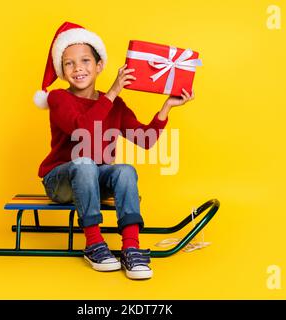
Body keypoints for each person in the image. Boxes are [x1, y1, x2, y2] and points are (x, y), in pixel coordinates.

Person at [33, 22, 194, 280]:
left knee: (125, 170)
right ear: (62, 71)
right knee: (84, 163)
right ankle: (94, 243)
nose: (78, 68)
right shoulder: (59, 99)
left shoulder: (115, 105)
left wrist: (167, 107)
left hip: (95, 180)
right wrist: (113, 91)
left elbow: (146, 139)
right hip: (60, 181)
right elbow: (81, 129)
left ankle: (131, 247)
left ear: (99, 66)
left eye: (85, 60)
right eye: (69, 63)